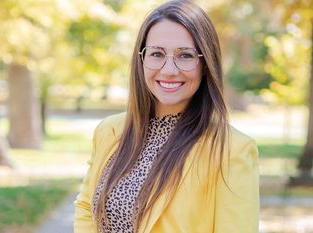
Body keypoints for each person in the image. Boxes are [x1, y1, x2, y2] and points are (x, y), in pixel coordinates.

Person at [74, 0, 259, 232]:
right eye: (157, 54)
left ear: (205, 63)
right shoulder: (109, 131)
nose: (169, 70)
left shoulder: (232, 151)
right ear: (142, 60)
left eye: (185, 56)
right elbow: (85, 207)